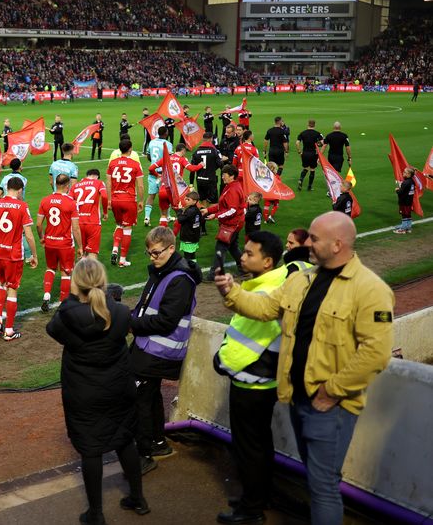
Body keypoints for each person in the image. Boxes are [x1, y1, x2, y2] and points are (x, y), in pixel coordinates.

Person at [215, 211, 394, 525]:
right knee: (316, 478)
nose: (306, 243)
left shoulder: (370, 289)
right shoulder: (302, 278)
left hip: (330, 406)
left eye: (314, 238)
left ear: (337, 244)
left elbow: (375, 354)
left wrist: (331, 392)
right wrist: (232, 291)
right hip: (298, 398)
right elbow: (265, 308)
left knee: (323, 486)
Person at [46, 258, 149, 525]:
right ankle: (138, 498)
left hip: (84, 391)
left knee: (91, 449)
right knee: (125, 439)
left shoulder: (67, 316)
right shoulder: (121, 312)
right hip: (118, 387)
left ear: (76, 285)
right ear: (103, 283)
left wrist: (72, 299)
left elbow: (53, 328)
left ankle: (96, 512)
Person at [213, 231, 287, 525]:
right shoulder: (274, 281)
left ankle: (251, 509)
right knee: (260, 444)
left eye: (249, 254)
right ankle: (259, 495)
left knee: (249, 448)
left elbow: (246, 340)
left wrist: (221, 361)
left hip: (251, 382)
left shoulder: (263, 293)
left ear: (267, 262)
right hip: (263, 382)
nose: (242, 257)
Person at [129, 226, 201, 474]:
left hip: (156, 351)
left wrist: (131, 323)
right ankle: (157, 443)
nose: (153, 257)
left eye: (157, 253)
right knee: (149, 396)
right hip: (150, 347)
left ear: (172, 248)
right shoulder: (163, 271)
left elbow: (166, 320)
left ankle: (143, 455)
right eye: (150, 253)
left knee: (138, 400)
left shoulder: (179, 279)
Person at [0, 177, 38, 341]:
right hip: (13, 255)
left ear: (7, 187)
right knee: (12, 288)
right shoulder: (22, 206)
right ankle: (9, 331)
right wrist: (34, 255)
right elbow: (29, 235)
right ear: (20, 190)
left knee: (2, 283)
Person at [37, 174, 82, 312]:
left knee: (50, 268)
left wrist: (42, 237)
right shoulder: (71, 203)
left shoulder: (45, 200)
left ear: (56, 184)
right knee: (65, 272)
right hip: (65, 244)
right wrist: (80, 246)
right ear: (67, 186)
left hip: (50, 242)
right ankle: (63, 303)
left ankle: (46, 296)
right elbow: (75, 227)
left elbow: (38, 224)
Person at [106, 139, 144, 268]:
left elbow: (108, 183)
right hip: (128, 200)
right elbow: (140, 185)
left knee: (119, 225)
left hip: (116, 199)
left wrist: (109, 200)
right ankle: (122, 260)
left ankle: (115, 248)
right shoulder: (135, 164)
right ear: (130, 149)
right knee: (127, 229)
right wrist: (141, 200)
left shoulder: (112, 163)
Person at [203, 165, 245, 279]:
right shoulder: (231, 186)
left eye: (224, 175)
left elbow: (232, 210)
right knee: (233, 247)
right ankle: (244, 269)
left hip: (231, 224)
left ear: (232, 176)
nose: (222, 177)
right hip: (235, 223)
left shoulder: (233, 190)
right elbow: (223, 205)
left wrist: (215, 216)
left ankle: (214, 274)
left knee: (220, 248)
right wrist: (208, 210)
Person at [71, 169, 108, 260]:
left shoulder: (75, 186)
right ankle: (92, 274)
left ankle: (81, 273)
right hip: (93, 222)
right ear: (96, 176)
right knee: (92, 253)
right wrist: (105, 212)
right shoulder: (99, 183)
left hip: (78, 223)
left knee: (81, 252)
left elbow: (69, 202)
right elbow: (104, 196)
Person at [143, 127, 174, 227]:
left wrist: (154, 163)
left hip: (153, 172)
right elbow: (169, 159)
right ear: (165, 133)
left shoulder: (152, 142)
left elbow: (148, 156)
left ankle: (147, 217)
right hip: (163, 174)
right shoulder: (168, 144)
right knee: (166, 195)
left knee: (151, 195)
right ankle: (167, 216)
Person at [191, 133, 224, 223]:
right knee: (213, 201)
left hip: (200, 180)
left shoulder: (196, 151)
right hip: (211, 179)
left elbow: (192, 168)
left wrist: (191, 183)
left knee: (202, 200)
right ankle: (211, 216)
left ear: (203, 139)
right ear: (211, 139)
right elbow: (221, 164)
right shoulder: (214, 150)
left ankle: (203, 217)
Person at [296, 120, 324, 192]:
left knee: (305, 168)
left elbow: (297, 143)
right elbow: (322, 142)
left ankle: (301, 180)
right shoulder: (318, 134)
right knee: (312, 169)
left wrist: (299, 152)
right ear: (314, 125)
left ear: (308, 124)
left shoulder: (302, 133)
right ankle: (309, 186)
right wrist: (318, 144)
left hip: (305, 153)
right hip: (313, 153)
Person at [174, 191, 201, 260]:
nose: (186, 200)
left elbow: (180, 219)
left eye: (188, 199)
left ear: (194, 201)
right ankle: (194, 268)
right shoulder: (197, 210)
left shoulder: (190, 211)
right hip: (194, 236)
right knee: (192, 256)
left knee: (188, 257)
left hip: (188, 237)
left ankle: (190, 269)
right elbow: (202, 220)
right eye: (185, 198)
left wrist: (179, 211)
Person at [395, 167, 416, 234]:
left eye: (405, 172)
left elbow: (401, 192)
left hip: (404, 201)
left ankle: (403, 228)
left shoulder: (406, 182)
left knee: (404, 215)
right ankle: (408, 227)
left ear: (409, 174)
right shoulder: (412, 181)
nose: (403, 173)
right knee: (408, 214)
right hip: (409, 201)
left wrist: (397, 190)